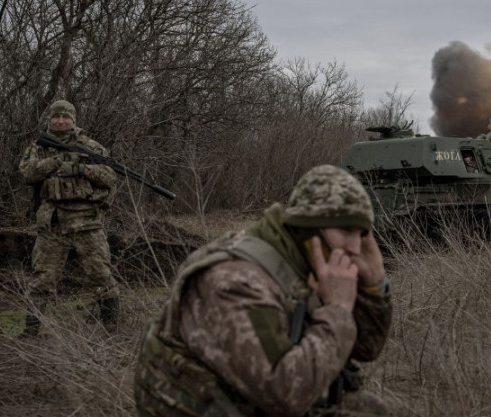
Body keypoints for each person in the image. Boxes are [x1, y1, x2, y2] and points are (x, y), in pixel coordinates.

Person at [134, 164, 393, 417]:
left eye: (361, 234)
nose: (355, 248)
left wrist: (374, 282)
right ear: (308, 228)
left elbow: (366, 348)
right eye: (346, 230)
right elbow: (284, 396)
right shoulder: (235, 281)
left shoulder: (307, 263)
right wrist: (337, 309)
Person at [18, 100, 119, 336]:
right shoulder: (38, 147)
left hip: (87, 220)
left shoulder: (90, 146)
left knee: (101, 275)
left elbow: (110, 177)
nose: (61, 121)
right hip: (52, 222)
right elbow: (28, 173)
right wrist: (57, 161)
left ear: (73, 120)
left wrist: (81, 169)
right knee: (42, 279)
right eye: (57, 117)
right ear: (50, 119)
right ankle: (30, 333)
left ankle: (112, 329)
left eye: (66, 117)